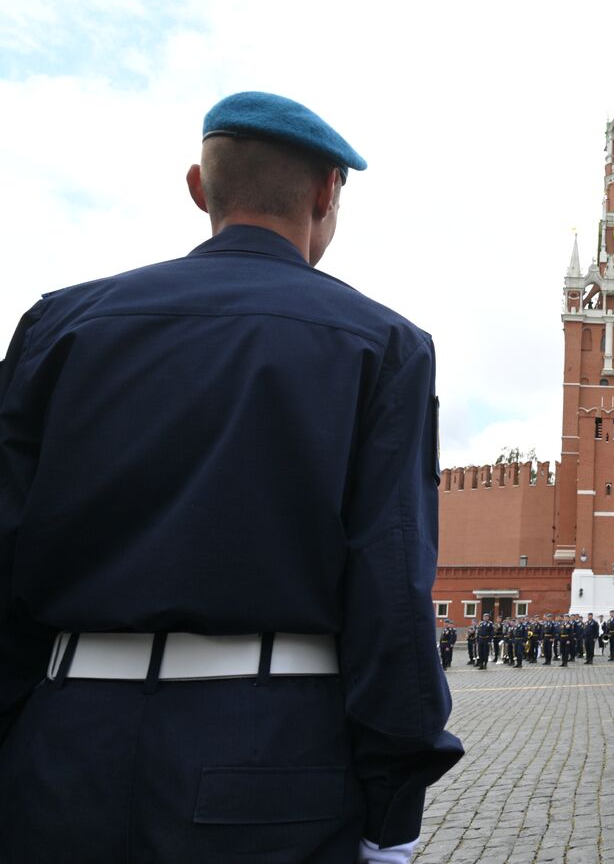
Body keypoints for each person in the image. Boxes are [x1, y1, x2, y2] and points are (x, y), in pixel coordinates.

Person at [0, 91, 463, 864]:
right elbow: (389, 591)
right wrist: (391, 811)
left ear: (197, 187)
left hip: (59, 758)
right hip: (269, 770)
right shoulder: (383, 347)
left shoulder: (59, 327)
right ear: (325, 193)